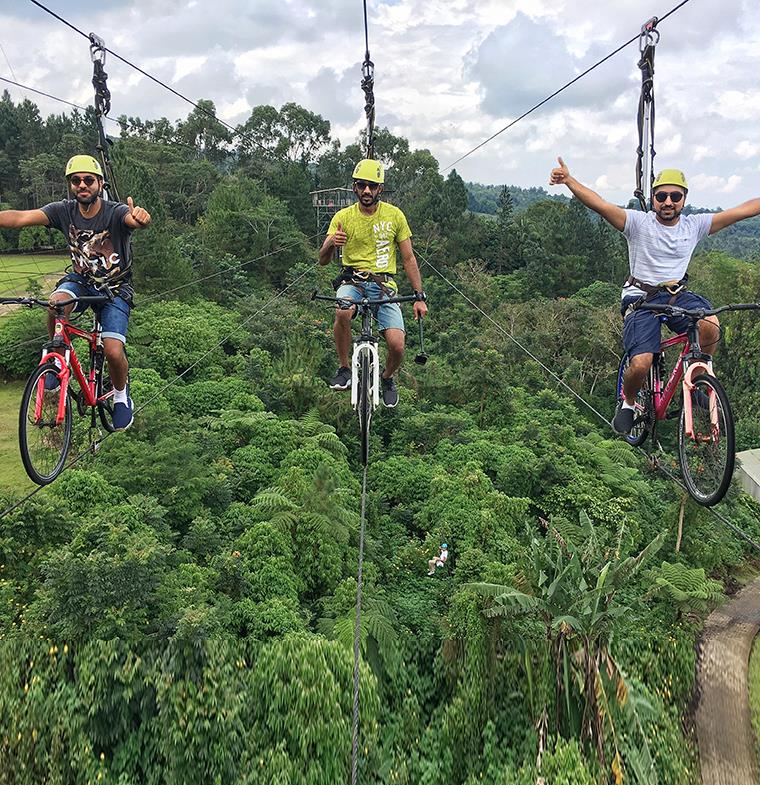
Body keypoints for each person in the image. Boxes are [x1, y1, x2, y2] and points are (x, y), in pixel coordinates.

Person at [549, 158, 760, 434]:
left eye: (675, 196)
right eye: (661, 196)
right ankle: (628, 401)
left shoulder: (694, 226)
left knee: (710, 326)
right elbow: (600, 205)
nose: (668, 202)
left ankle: (697, 380)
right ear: (653, 198)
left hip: (676, 296)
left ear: (684, 199)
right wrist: (569, 181)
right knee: (642, 361)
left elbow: (740, 212)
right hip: (641, 298)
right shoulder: (638, 223)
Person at [0, 154, 151, 430]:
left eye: (88, 180)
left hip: (114, 289)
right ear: (70, 185)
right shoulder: (63, 211)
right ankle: (56, 357)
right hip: (81, 282)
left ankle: (120, 395)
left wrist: (139, 217)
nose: (82, 185)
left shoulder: (114, 212)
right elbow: (21, 217)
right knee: (56, 303)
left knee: (114, 351)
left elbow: (132, 219)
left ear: (100, 184)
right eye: (76, 180)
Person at [318, 158, 428, 407]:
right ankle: (345, 368)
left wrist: (418, 296)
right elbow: (323, 260)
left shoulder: (395, 216)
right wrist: (331, 242)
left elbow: (408, 258)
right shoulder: (342, 217)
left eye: (372, 186)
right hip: (352, 280)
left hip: (384, 285)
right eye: (362, 185)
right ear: (355, 187)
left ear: (380, 188)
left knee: (397, 346)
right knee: (342, 310)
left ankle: (387, 378)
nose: (367, 191)